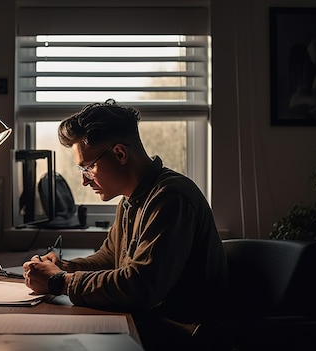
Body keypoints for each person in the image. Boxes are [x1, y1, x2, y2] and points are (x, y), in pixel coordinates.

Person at [22, 99, 229, 350]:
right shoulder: (132, 199)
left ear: (120, 153)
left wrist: (60, 281)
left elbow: (140, 287)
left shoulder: (171, 198)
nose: (84, 181)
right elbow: (109, 259)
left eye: (88, 167)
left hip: (180, 337)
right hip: (148, 326)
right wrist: (63, 266)